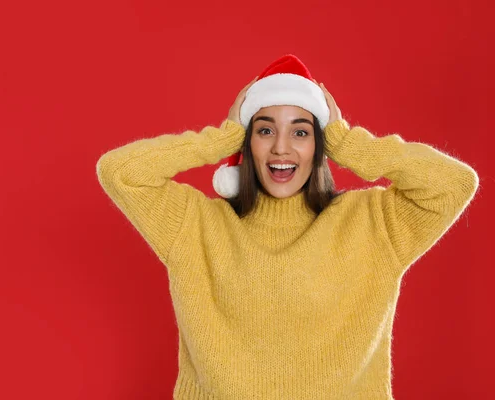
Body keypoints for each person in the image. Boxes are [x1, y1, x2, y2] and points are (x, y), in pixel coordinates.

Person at [96, 55, 479, 399]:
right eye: (264, 130)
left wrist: (346, 142)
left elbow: (454, 184)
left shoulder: (373, 222)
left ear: (319, 145)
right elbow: (120, 172)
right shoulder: (195, 224)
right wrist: (221, 139)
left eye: (301, 131)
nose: (282, 148)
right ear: (248, 144)